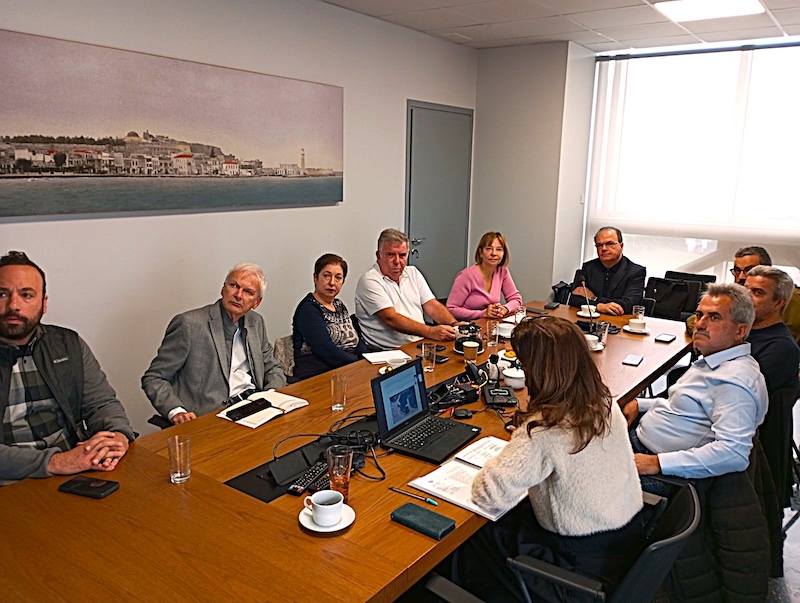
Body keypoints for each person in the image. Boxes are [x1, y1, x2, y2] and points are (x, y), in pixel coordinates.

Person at [447, 317, 644, 602]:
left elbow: (488, 494)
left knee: (472, 537)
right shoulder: (604, 402)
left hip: (575, 570)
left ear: (538, 371)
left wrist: (519, 443)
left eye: (524, 365)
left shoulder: (545, 431)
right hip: (624, 546)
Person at [0, 251, 135, 486]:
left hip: (75, 470)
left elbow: (101, 404)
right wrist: (57, 462)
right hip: (11, 481)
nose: (14, 305)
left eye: (26, 295)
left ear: (44, 303)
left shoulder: (68, 345)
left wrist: (118, 436)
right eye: (2, 294)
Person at [624, 284, 767, 486]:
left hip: (662, 472)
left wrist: (657, 463)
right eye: (699, 315)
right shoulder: (715, 360)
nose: (700, 324)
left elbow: (734, 453)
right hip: (642, 445)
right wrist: (641, 404)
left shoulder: (734, 382)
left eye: (714, 317)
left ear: (740, 331)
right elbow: (682, 406)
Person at [142, 262, 286, 424]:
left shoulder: (256, 322)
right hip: (213, 416)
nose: (238, 295)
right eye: (234, 285)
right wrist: (176, 411)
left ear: (256, 303)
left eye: (248, 292)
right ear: (223, 289)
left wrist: (271, 396)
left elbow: (272, 367)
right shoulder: (189, 324)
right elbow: (154, 378)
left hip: (254, 406)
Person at [355, 228, 460, 350]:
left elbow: (432, 305)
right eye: (390, 255)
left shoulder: (412, 272)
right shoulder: (369, 280)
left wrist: (455, 325)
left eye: (402, 255)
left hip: (419, 344)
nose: (397, 261)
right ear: (379, 256)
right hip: (387, 351)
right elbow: (390, 318)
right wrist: (431, 331)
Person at [292, 253, 367, 380]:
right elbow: (325, 350)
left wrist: (366, 359)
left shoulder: (339, 305)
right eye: (326, 276)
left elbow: (356, 339)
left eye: (338, 278)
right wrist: (357, 365)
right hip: (318, 374)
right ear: (315, 278)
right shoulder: (308, 309)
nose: (332, 283)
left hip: (346, 369)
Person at [743, 265, 800, 394]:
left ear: (779, 303)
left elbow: (747, 392)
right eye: (745, 290)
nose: (746, 297)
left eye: (758, 292)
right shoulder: (739, 331)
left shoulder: (782, 347)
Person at [568, 226, 646, 316]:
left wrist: (594, 299)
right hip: (589, 318)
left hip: (618, 320)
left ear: (621, 246)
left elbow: (630, 304)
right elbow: (574, 299)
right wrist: (598, 306)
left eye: (610, 243)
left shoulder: (635, 271)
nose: (604, 248)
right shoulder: (588, 267)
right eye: (599, 245)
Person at [446, 231, 523, 320]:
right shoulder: (466, 275)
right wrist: (483, 313)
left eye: (499, 249)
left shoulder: (502, 271)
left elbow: (516, 299)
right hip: (467, 324)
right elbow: (451, 309)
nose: (494, 253)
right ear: (481, 252)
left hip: (489, 323)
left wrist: (505, 308)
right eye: (489, 249)